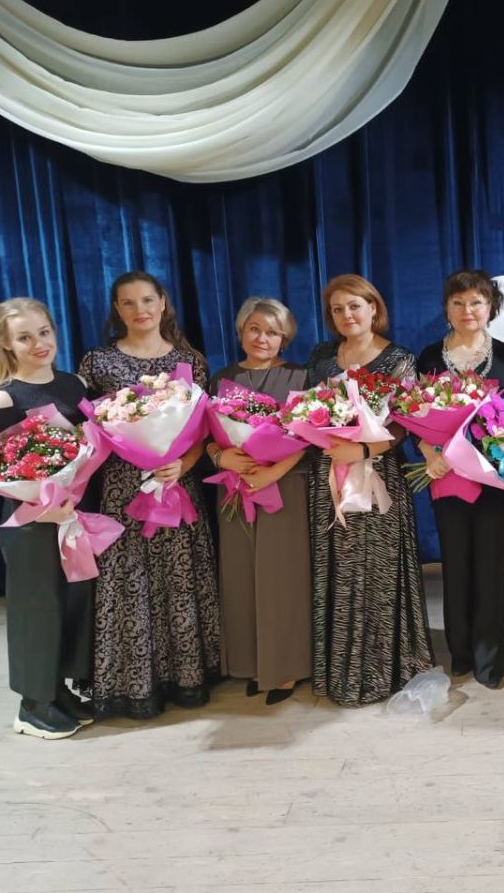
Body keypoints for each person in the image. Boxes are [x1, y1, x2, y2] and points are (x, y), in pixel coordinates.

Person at [78, 270, 221, 720]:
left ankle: (187, 676)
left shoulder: (189, 360)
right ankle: (131, 682)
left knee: (179, 577)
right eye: (128, 302)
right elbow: (87, 427)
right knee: (129, 580)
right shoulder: (98, 362)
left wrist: (185, 464)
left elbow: (205, 428)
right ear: (116, 310)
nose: (140, 310)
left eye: (147, 300)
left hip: (176, 483)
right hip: (123, 489)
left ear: (162, 303)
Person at [305, 274, 434, 706]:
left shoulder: (398, 358)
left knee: (377, 570)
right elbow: (306, 411)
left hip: (378, 475)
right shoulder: (322, 356)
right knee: (337, 569)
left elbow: (404, 424)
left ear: (373, 308)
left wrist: (360, 448)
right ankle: (339, 668)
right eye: (338, 309)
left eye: (355, 306)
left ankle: (379, 669)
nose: (347, 315)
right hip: (329, 476)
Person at [0, 298, 94, 739]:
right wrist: (43, 505)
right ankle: (32, 704)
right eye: (24, 337)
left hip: (73, 514)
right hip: (28, 522)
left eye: (44, 332)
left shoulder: (74, 384)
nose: (39, 343)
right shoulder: (3, 398)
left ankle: (56, 689)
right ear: (7, 344)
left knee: (72, 601)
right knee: (36, 607)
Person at [415, 270, 504, 689]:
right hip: (446, 476)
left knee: (491, 568)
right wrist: (430, 454)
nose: (468, 310)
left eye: (477, 302)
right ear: (446, 308)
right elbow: (413, 414)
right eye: (458, 302)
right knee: (457, 566)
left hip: (493, 479)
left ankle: (489, 661)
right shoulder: (429, 356)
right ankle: (460, 654)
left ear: (490, 307)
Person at [206, 298, 311, 706]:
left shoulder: (301, 377)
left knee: (281, 579)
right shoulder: (222, 378)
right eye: (254, 329)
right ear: (240, 332)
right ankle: (252, 664)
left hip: (284, 488)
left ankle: (284, 667)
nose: (262, 338)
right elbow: (206, 437)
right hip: (235, 486)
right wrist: (222, 457)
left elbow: (309, 438)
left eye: (271, 331)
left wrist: (272, 472)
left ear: (284, 337)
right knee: (241, 576)